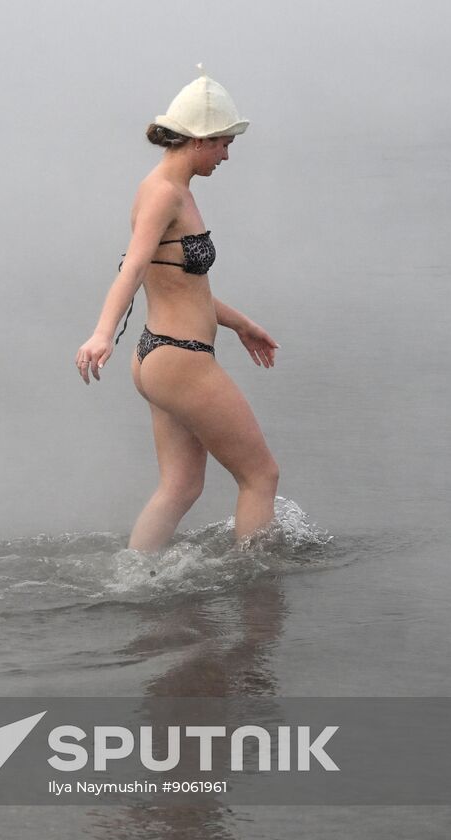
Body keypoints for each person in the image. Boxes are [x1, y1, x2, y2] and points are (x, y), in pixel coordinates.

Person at [75, 65, 280, 552]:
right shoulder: (165, 194)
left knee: (181, 487)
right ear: (199, 140)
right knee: (261, 475)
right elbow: (132, 269)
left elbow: (182, 284)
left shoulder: (168, 190)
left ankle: (133, 580)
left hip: (157, 356)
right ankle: (259, 591)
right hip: (181, 359)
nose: (227, 154)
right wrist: (102, 333)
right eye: (224, 142)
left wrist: (241, 324)